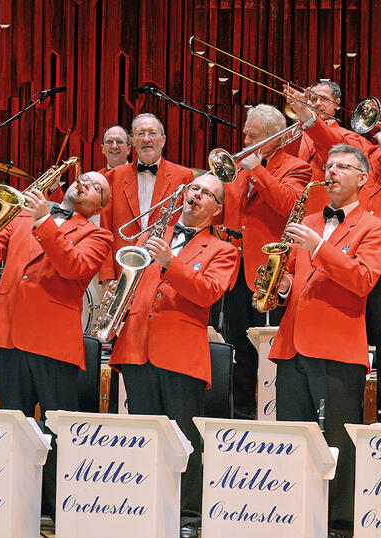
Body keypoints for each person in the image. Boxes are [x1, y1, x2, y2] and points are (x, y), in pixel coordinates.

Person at [285, 85, 381, 418]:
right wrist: (307, 115)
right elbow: (329, 143)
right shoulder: (366, 154)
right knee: (342, 342)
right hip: (347, 261)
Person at [0, 171, 113, 520]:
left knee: (55, 432)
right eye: (84, 178)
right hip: (11, 336)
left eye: (97, 186)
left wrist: (44, 221)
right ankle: (13, 503)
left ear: (101, 205)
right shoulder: (23, 215)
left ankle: (56, 507)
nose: (86, 184)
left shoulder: (99, 235)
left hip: (52, 344)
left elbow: (73, 267)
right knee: (12, 427)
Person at [269, 143, 381, 538]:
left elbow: (361, 280)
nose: (332, 172)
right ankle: (291, 515)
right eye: (328, 165)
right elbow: (297, 278)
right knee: (292, 439)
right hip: (292, 345)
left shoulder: (376, 227)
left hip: (337, 348)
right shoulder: (306, 220)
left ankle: (339, 524)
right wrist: (283, 286)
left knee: (337, 442)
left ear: (362, 177)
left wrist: (318, 247)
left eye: (343, 166)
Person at [109, 173, 238, 538]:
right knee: (143, 438)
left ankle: (188, 517)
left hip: (181, 356)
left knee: (183, 441)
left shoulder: (223, 250)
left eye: (206, 193)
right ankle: (143, 506)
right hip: (137, 347)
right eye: (193, 188)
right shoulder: (155, 235)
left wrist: (170, 262)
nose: (196, 195)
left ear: (217, 209)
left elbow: (208, 292)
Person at [220, 104, 310, 419]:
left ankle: (270, 420)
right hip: (234, 273)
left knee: (267, 351)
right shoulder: (237, 169)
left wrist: (257, 169)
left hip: (269, 273)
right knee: (237, 354)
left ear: (273, 138)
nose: (244, 139)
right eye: (245, 133)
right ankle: (240, 418)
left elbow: (289, 203)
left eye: (252, 135)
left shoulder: (296, 166)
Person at [99, 113, 194, 283]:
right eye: (140, 134)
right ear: (133, 141)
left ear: (163, 140)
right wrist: (107, 278)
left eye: (152, 133)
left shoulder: (183, 176)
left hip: (163, 272)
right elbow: (104, 232)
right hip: (122, 269)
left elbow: (188, 229)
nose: (146, 139)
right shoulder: (113, 177)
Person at [284, 79, 352, 214]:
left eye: (324, 99)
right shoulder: (295, 133)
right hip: (291, 209)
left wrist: (304, 113)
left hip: (324, 210)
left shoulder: (349, 136)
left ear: (336, 104)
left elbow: (330, 145)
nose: (318, 104)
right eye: (313, 99)